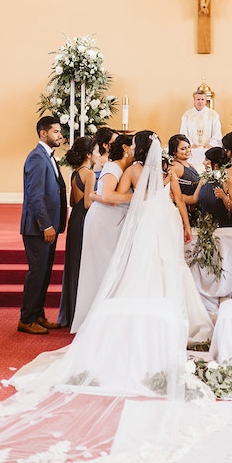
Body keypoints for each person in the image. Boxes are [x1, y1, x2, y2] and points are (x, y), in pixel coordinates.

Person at [0, 136, 221, 463]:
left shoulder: (156, 173)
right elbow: (134, 202)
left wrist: (175, 210)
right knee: (148, 273)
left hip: (161, 228)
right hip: (150, 229)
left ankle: (164, 323)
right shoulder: (137, 172)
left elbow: (172, 200)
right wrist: (147, 195)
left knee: (167, 272)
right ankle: (145, 324)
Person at [72, 133, 134, 331]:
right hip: (102, 223)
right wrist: (139, 197)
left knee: (109, 270)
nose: (135, 150)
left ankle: (105, 317)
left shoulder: (124, 168)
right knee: (99, 270)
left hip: (111, 222)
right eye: (132, 146)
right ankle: (94, 320)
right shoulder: (113, 166)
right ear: (125, 148)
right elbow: (109, 196)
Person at [18, 116, 67, 335]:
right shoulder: (37, 158)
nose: (60, 135)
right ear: (43, 133)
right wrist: (46, 225)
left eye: (59, 131)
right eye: (56, 132)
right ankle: (26, 319)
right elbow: (35, 197)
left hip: (48, 227)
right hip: (37, 228)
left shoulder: (48, 157)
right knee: (37, 273)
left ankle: (38, 314)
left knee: (45, 273)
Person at [57, 136, 96, 329]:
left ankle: (71, 312)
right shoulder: (90, 174)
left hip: (75, 219)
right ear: (89, 155)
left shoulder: (75, 172)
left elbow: (73, 201)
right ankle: (81, 313)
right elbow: (88, 203)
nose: (98, 154)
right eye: (96, 151)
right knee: (83, 264)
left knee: (73, 264)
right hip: (84, 219)